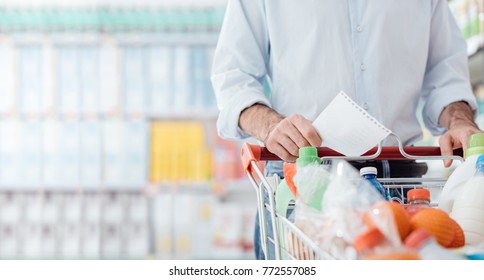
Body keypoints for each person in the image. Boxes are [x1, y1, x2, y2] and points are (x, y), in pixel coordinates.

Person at [211, 1, 482, 260]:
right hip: (303, 181)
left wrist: (458, 119)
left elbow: (445, 72)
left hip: (399, 184)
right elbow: (233, 75)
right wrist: (270, 125)